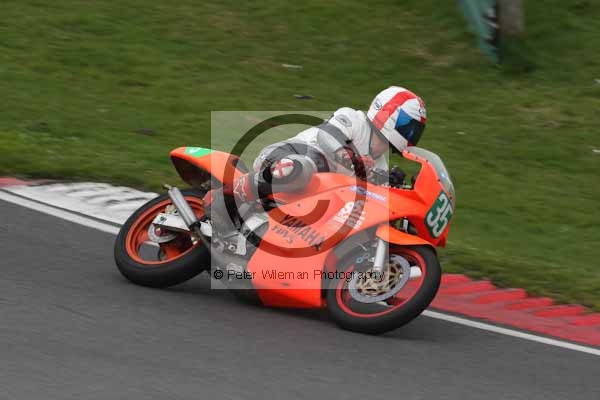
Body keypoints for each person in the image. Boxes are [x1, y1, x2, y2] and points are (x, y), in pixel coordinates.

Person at [204, 86, 427, 231]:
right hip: (284, 158)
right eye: (408, 126)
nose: (410, 134)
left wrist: (395, 191)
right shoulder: (353, 119)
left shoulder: (380, 165)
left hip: (308, 198)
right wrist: (351, 157)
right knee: (307, 166)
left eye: (415, 130)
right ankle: (226, 197)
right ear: (388, 112)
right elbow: (326, 136)